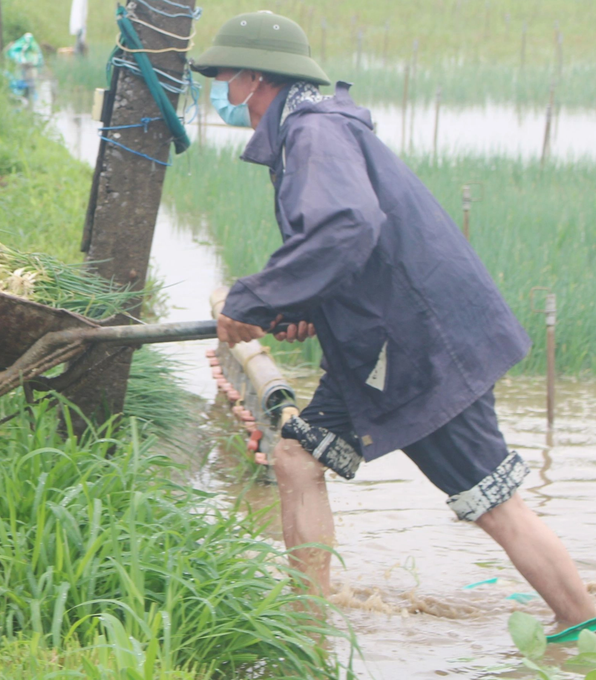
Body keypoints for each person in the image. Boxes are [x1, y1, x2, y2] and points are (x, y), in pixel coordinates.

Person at [191, 11, 595, 629]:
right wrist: (300, 306)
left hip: (419, 349)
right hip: (377, 346)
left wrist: (250, 300)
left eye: (224, 79)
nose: (221, 92)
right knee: (297, 458)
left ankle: (581, 624)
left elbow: (347, 227)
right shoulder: (308, 129)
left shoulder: (312, 133)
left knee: (493, 501)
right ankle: (308, 620)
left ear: (255, 77)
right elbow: (351, 251)